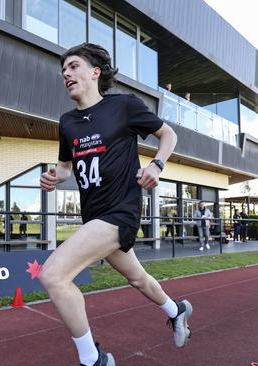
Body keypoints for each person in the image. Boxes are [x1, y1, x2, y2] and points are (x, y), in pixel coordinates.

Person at [39, 43, 191, 366]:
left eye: (74, 66)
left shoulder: (124, 106)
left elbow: (169, 136)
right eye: (63, 70)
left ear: (95, 72)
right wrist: (56, 175)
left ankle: (94, 360)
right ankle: (176, 310)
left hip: (121, 212)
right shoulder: (67, 122)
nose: (66, 73)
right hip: (94, 219)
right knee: (137, 278)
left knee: (53, 275)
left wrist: (156, 166)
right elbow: (66, 165)